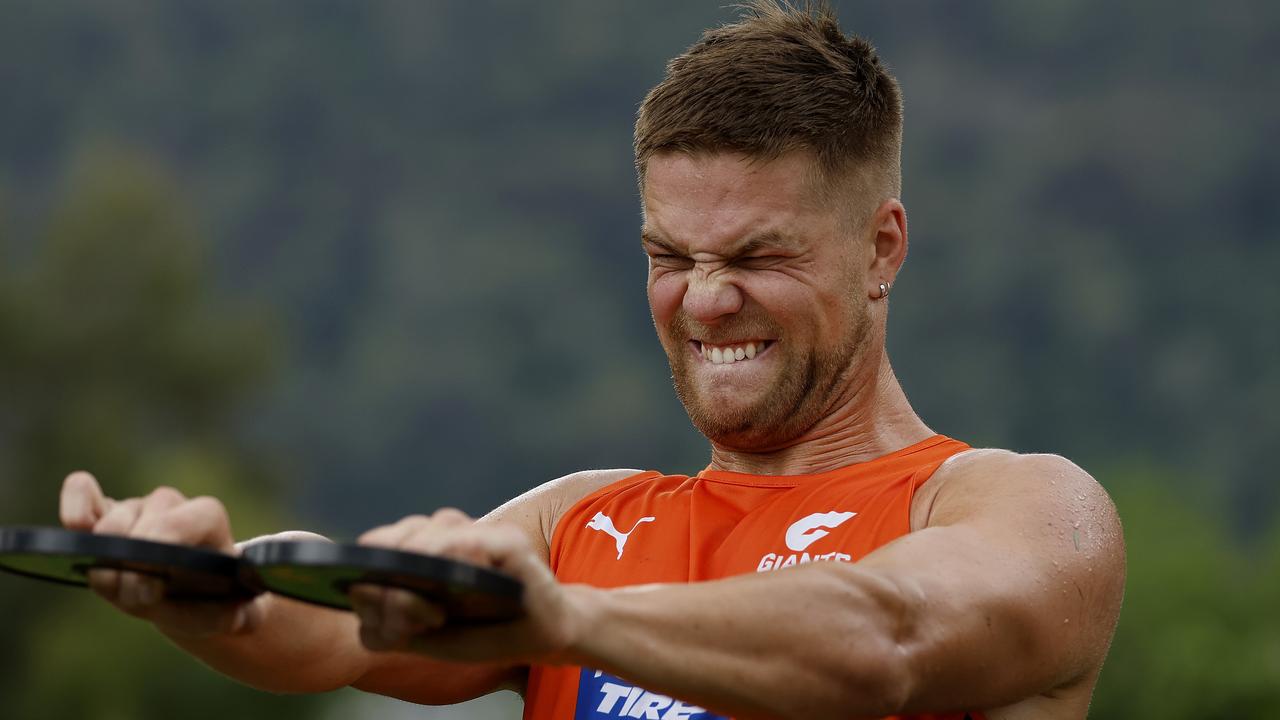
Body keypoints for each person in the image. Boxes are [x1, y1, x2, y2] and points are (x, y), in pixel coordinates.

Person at [57, 3, 1125, 719]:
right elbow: (338, 632)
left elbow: (885, 638)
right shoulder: (579, 522)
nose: (705, 299)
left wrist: (568, 621)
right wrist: (217, 590)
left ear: (880, 245)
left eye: (757, 255)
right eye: (671, 255)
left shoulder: (1021, 508)